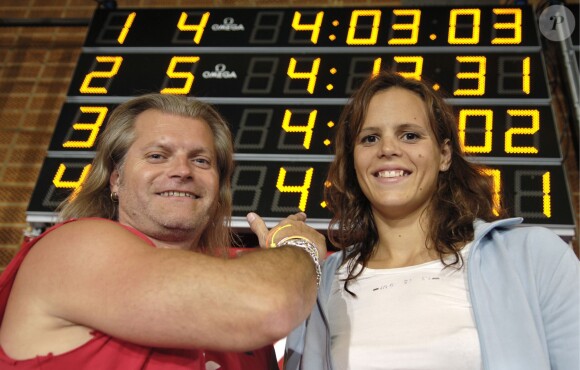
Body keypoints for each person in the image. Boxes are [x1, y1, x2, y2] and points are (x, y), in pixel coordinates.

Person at [0, 93, 327, 369]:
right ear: (116, 180)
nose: (182, 171)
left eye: (201, 161)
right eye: (157, 156)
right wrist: (298, 245)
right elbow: (268, 302)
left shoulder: (244, 328)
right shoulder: (73, 249)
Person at [284, 70, 579, 370]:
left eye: (409, 135)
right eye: (370, 138)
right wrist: (289, 259)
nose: (387, 149)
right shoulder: (323, 283)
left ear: (445, 154)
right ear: (354, 160)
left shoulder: (532, 257)